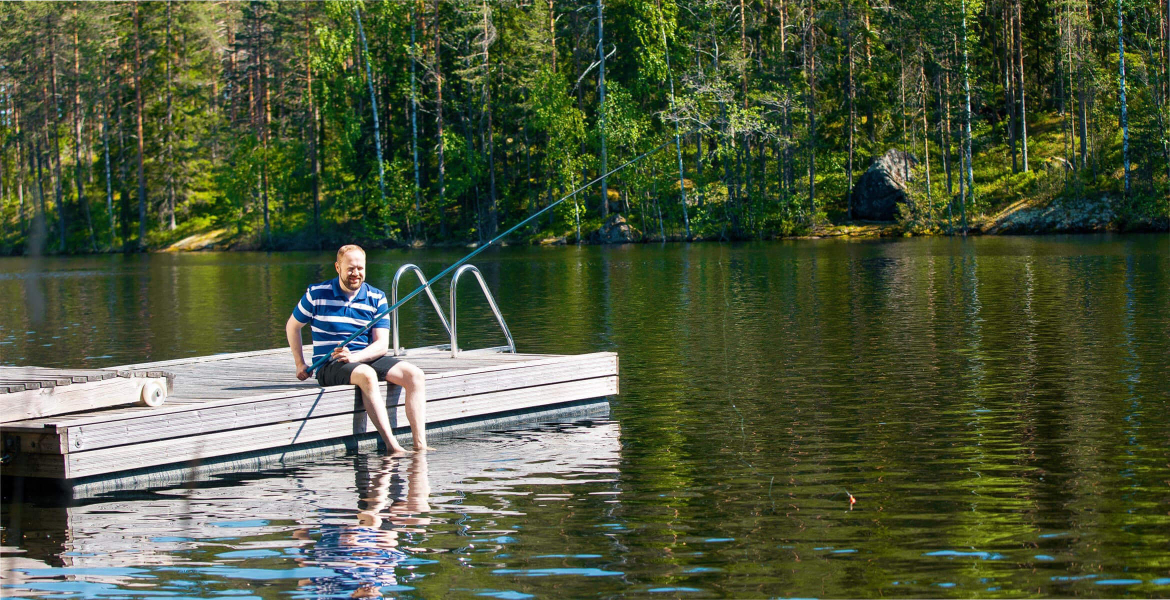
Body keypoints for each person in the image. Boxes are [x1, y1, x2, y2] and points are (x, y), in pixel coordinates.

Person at [285, 244, 433, 454]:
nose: (356, 274)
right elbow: (292, 326)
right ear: (338, 267)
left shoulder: (377, 297)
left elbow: (381, 345)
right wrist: (300, 363)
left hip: (364, 356)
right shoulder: (316, 294)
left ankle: (420, 446)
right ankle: (393, 446)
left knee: (415, 375)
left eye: (360, 268)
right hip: (330, 364)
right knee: (367, 374)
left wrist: (355, 356)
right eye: (350, 268)